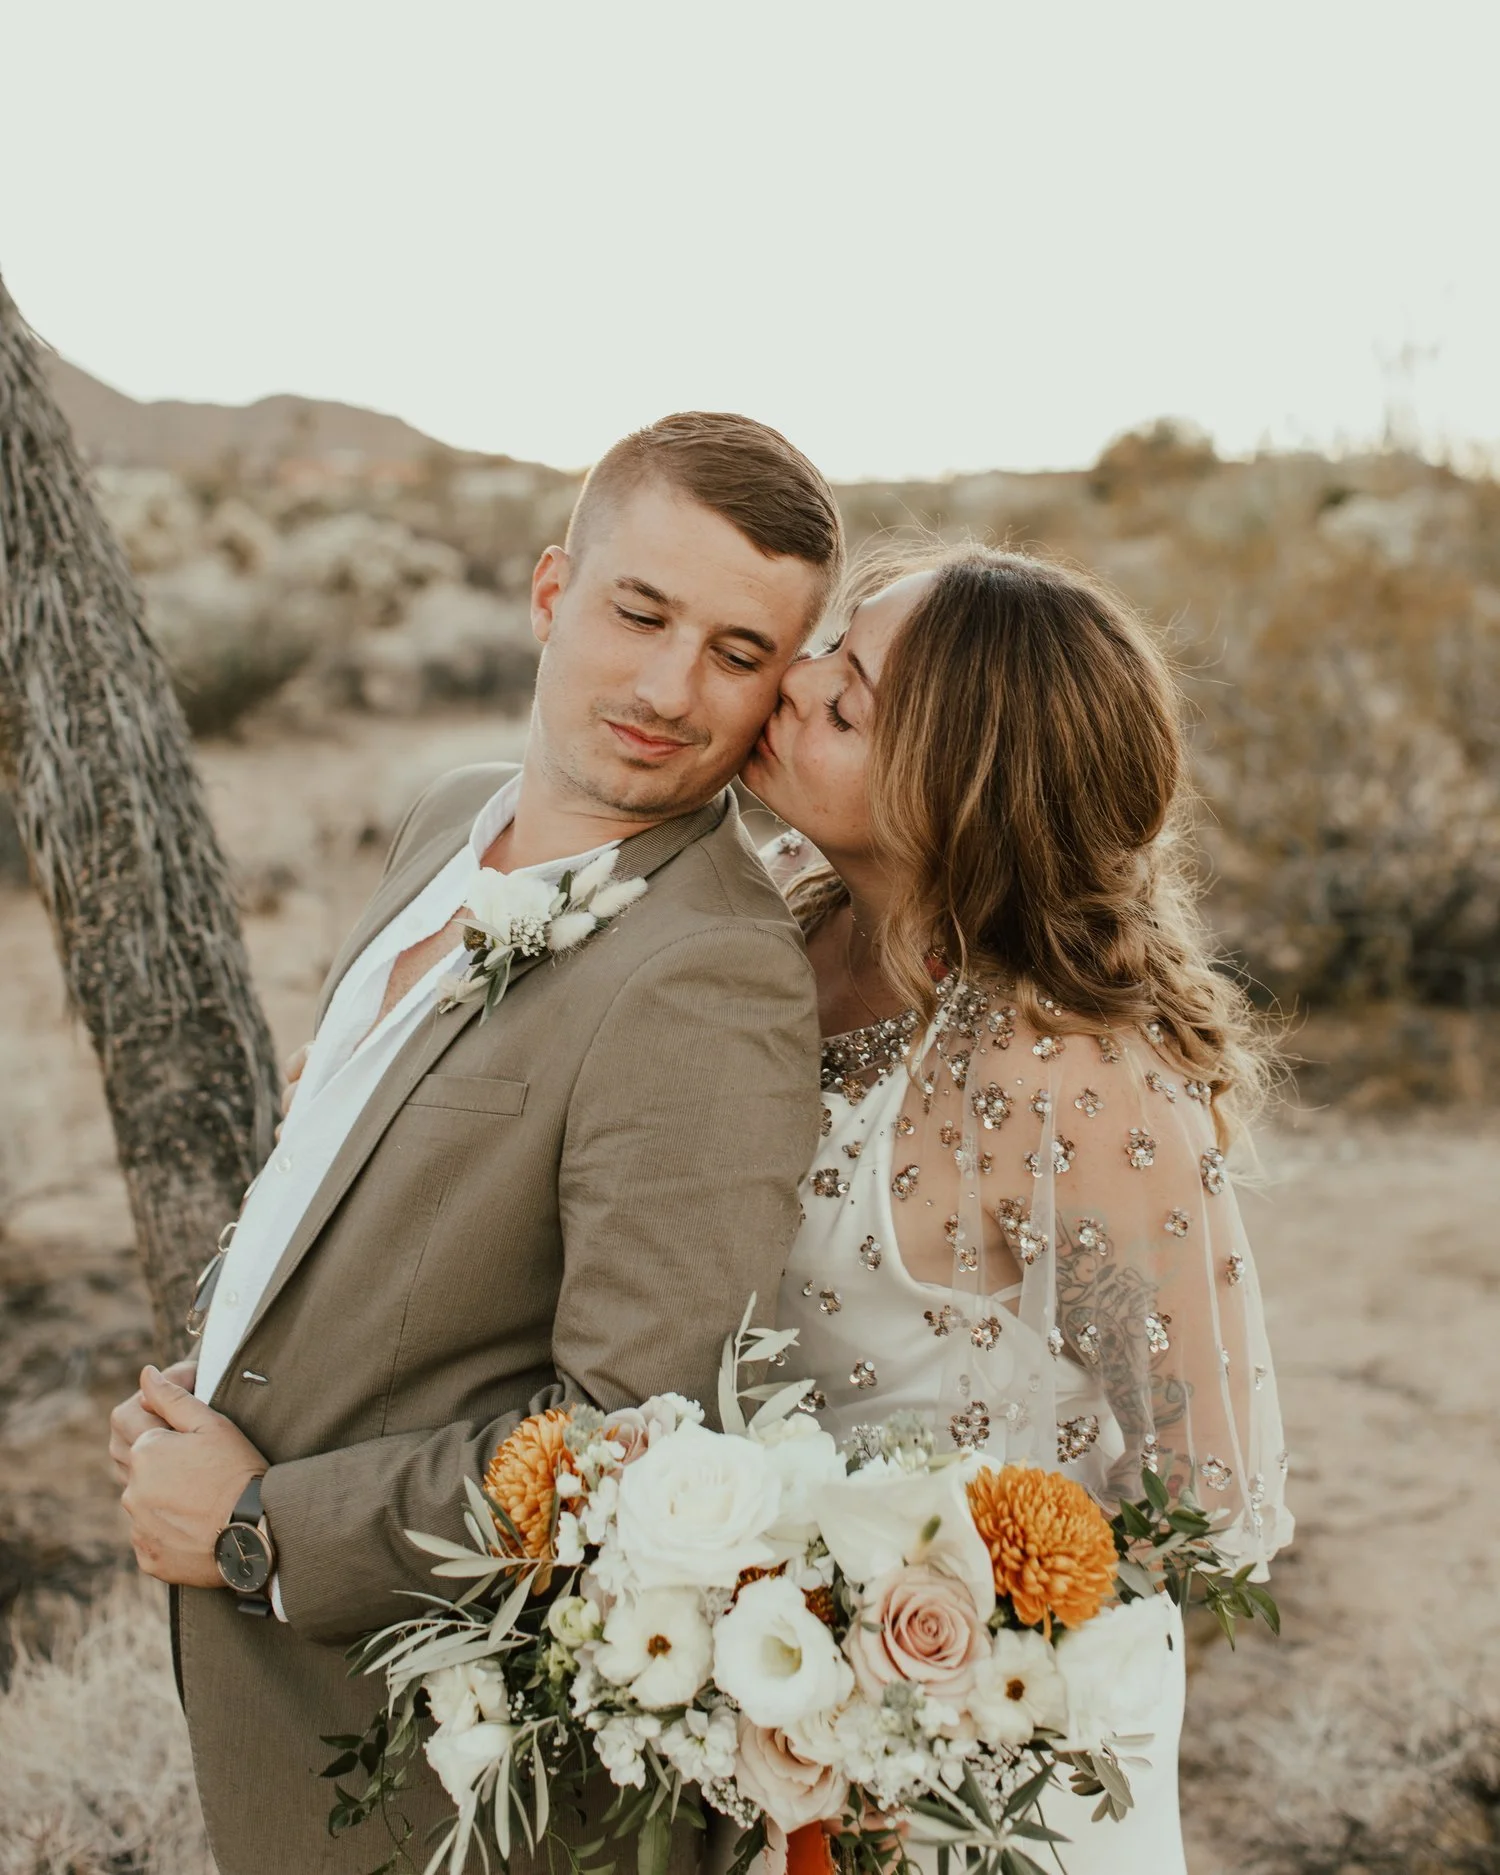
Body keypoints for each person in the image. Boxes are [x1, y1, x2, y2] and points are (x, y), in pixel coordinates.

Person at [107, 412, 843, 1875]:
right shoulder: (448, 815)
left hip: (451, 1796)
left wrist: (259, 1523)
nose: (667, 686)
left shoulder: (707, 970)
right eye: (640, 612)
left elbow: (634, 1446)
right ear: (553, 589)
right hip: (285, 1727)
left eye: (738, 651)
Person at [741, 545, 1293, 1873]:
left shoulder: (1066, 1071)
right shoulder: (778, 921)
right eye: (833, 645)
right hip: (752, 1699)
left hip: (987, 1766)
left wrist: (938, 1646)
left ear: (957, 793)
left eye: (851, 698)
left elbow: (1208, 1503)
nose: (795, 678)